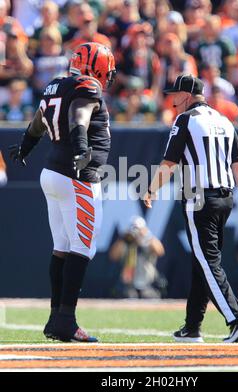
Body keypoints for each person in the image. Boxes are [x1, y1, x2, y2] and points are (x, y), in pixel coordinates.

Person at [9, 42, 116, 343]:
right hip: (76, 176)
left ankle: (56, 318)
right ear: (95, 67)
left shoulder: (56, 84)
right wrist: (82, 148)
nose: (107, 77)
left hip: (52, 174)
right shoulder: (87, 87)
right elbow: (79, 117)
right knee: (83, 248)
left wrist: (27, 145)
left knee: (63, 247)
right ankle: (66, 320)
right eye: (105, 70)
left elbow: (38, 122)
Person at [143, 74, 238, 343]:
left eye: (175, 95)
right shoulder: (224, 121)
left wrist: (151, 189)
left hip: (200, 198)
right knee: (201, 262)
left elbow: (169, 162)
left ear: (186, 95)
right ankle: (192, 326)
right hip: (226, 198)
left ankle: (236, 319)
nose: (172, 100)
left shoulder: (185, 120)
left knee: (207, 262)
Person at [109, 216, 166, 299]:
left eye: (138, 229)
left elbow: (160, 251)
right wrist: (124, 238)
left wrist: (147, 236)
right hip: (128, 285)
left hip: (148, 284)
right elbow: (113, 256)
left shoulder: (149, 242)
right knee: (129, 296)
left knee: (150, 297)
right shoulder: (125, 243)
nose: (136, 232)